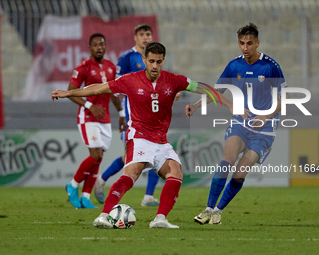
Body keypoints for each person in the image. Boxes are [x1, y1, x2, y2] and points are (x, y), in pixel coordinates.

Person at [51, 42, 230, 228]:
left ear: (163, 61)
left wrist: (227, 102)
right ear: (144, 59)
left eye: (158, 62)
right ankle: (103, 216)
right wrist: (68, 93)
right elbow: (97, 88)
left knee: (175, 172)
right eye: (151, 61)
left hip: (161, 141)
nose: (154, 66)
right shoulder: (130, 80)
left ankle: (160, 219)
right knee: (132, 173)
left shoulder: (173, 80)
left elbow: (201, 87)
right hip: (139, 138)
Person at [187, 23, 288, 225]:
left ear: (257, 43)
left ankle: (218, 210)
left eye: (249, 43)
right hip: (241, 123)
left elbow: (284, 98)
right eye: (241, 43)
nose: (245, 48)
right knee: (226, 161)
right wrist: (197, 104)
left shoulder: (270, 66)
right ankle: (208, 209)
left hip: (264, 130)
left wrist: (266, 116)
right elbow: (219, 91)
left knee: (239, 173)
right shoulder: (234, 65)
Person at [94, 24, 181, 207]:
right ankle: (102, 179)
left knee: (156, 152)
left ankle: (148, 195)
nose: (145, 37)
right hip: (133, 117)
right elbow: (116, 87)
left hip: (155, 115)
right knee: (130, 158)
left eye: (148, 34)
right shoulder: (127, 58)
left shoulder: (155, 58)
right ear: (135, 37)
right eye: (142, 34)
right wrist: (121, 114)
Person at [64, 33, 126, 209]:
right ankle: (73, 185)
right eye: (95, 45)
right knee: (95, 155)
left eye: (102, 44)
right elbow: (70, 92)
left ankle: (85, 197)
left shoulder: (110, 67)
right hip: (88, 116)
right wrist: (89, 106)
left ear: (106, 47)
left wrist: (121, 114)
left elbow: (113, 93)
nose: (99, 47)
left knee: (98, 159)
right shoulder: (84, 67)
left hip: (105, 118)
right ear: (89, 47)